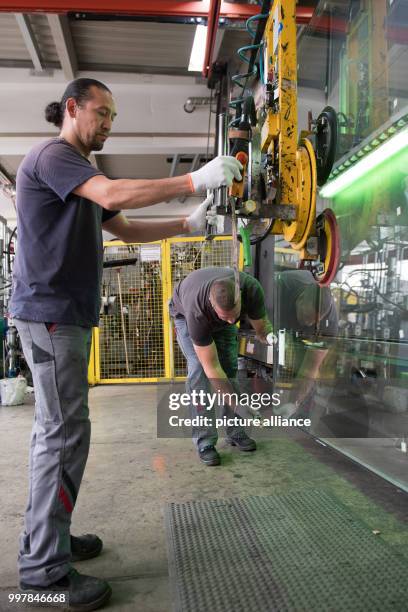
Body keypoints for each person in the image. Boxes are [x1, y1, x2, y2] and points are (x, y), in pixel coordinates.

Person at [9, 77, 242, 610]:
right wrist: (190, 180)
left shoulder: (79, 176)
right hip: (50, 317)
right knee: (63, 436)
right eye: (103, 112)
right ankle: (43, 572)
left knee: (60, 433)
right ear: (72, 108)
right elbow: (113, 194)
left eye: (114, 116)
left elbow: (129, 229)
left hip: (61, 318)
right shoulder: (55, 156)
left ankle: (50, 541)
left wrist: (186, 221)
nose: (110, 124)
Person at [169, 266, 273, 466]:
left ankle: (235, 430)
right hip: (184, 315)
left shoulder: (251, 289)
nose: (232, 320)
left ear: (241, 296)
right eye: (226, 317)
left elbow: (262, 327)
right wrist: (241, 408)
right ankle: (205, 440)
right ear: (211, 302)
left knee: (230, 368)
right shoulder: (196, 312)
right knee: (200, 371)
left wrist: (270, 337)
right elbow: (212, 370)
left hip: (217, 318)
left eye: (235, 315)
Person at [275, 269, 338, 415]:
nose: (308, 323)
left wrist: (294, 403)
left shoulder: (328, 325)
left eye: (313, 322)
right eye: (305, 316)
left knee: (304, 372)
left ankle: (299, 418)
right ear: (301, 298)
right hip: (278, 317)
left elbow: (310, 368)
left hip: (307, 338)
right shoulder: (280, 287)